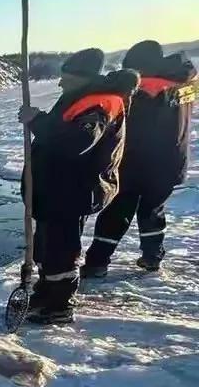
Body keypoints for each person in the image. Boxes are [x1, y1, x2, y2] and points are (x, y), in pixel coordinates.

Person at [17, 48, 139, 324]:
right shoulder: (83, 98)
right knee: (48, 246)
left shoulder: (99, 104)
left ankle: (58, 306)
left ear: (82, 77)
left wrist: (37, 121)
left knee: (60, 250)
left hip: (73, 190)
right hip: (59, 188)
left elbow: (75, 143)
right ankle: (46, 292)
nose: (60, 83)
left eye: (66, 77)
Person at [82, 41, 197, 276]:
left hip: (135, 162)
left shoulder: (144, 89)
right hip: (171, 162)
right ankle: (152, 257)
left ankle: (97, 263)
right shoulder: (186, 84)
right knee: (153, 210)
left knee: (116, 211)